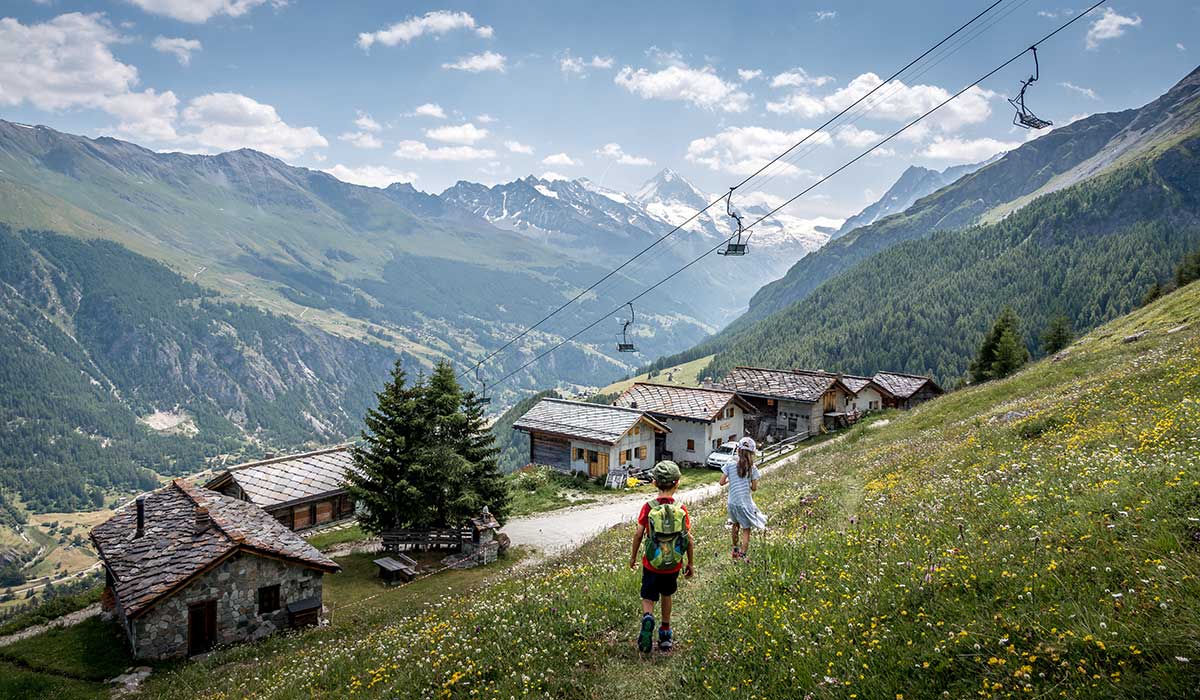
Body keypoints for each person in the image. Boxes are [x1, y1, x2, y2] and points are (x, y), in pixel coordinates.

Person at [628, 460, 694, 653]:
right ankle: (665, 633)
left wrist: (633, 557)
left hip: (651, 563)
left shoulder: (648, 507)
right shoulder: (681, 509)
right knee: (667, 595)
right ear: (677, 483)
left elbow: (639, 534)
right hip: (672, 565)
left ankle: (648, 617)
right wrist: (690, 563)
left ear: (654, 483)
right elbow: (689, 539)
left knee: (648, 596)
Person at [720, 436, 767, 561]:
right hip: (744, 503)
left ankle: (735, 550)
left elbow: (721, 482)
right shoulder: (752, 468)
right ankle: (742, 554)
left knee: (735, 525)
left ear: (738, 450)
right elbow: (754, 488)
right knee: (746, 529)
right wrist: (748, 482)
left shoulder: (730, 464)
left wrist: (732, 479)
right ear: (752, 453)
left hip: (732, 503)